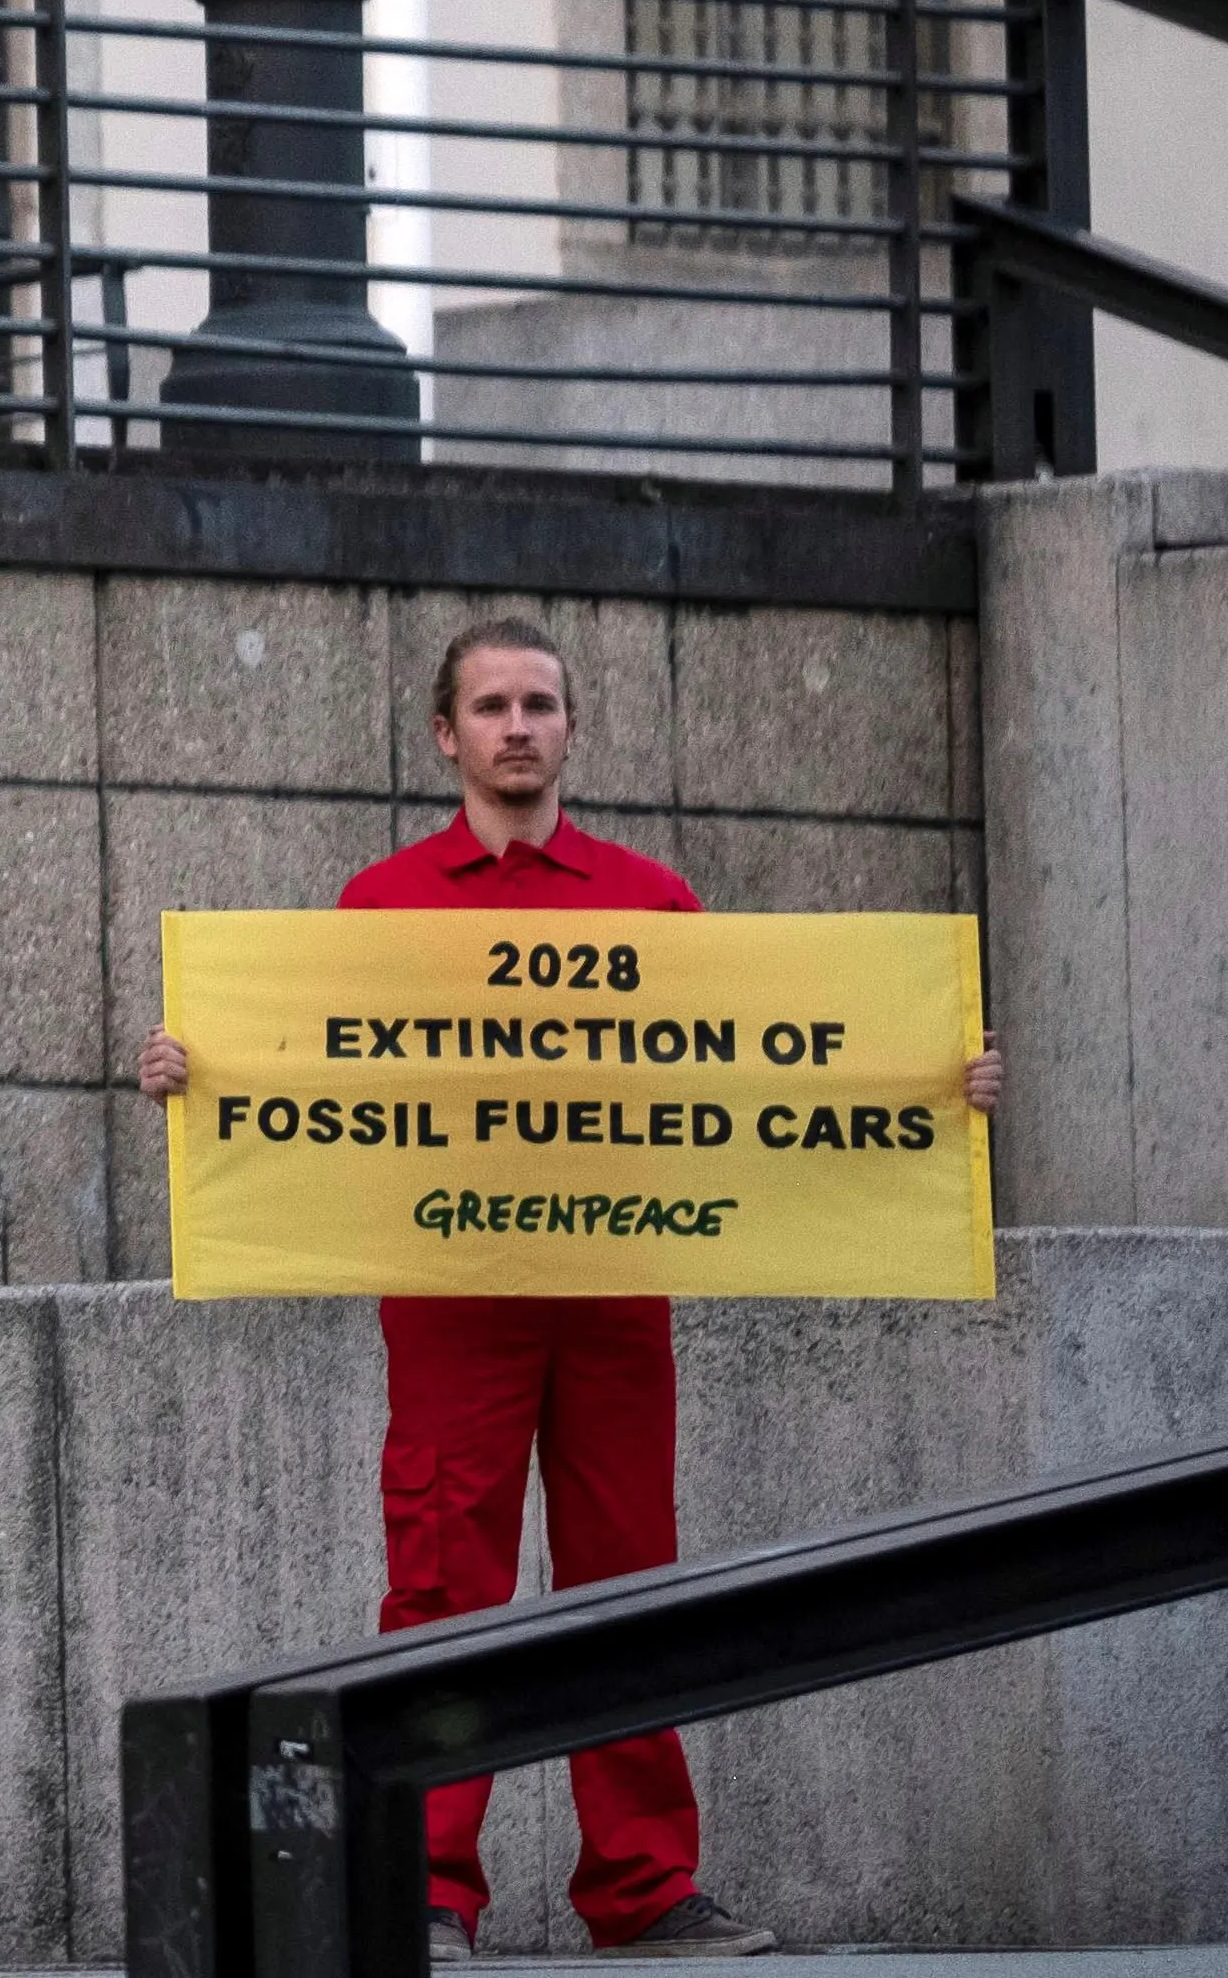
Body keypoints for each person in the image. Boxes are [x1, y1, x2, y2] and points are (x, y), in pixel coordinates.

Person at [140, 618, 1004, 1966]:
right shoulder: (380, 903)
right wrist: (199, 1072)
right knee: (442, 1580)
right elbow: (315, 1067)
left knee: (628, 1577)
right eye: (491, 704)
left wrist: (931, 1082)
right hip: (449, 1292)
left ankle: (644, 1887)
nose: (518, 724)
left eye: (540, 701)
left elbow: (753, 1072)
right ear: (448, 734)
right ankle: (427, 1885)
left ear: (570, 725)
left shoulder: (651, 898)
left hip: (612, 1289)